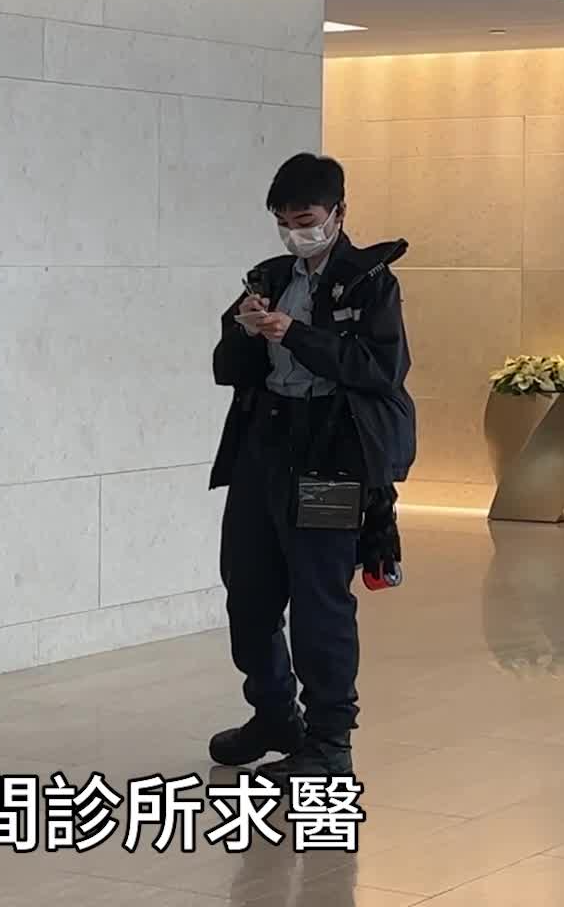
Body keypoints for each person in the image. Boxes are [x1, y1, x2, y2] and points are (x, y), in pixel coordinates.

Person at [206, 152, 413, 781]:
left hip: (332, 453)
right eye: (284, 222)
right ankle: (274, 714)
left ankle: (329, 742)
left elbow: (380, 369)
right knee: (247, 588)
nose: (296, 233)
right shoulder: (268, 277)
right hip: (265, 445)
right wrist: (245, 332)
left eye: (306, 220)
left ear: (338, 213)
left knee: (320, 597)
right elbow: (225, 369)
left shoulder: (370, 281)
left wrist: (294, 333)